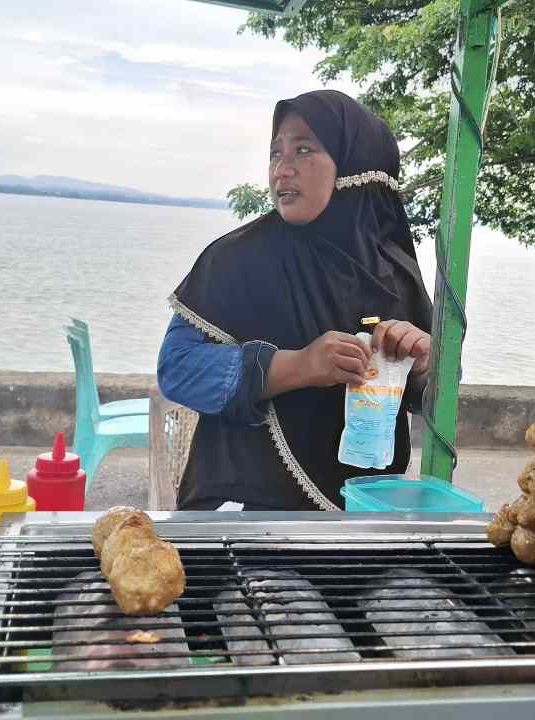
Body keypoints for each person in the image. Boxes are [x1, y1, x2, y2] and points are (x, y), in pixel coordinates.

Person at [156, 90, 434, 511]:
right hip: (247, 509)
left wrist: (422, 364)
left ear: (356, 164)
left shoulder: (394, 270)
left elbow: (429, 395)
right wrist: (298, 366)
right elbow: (177, 368)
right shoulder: (238, 257)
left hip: (365, 509)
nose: (281, 170)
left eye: (303, 150)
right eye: (275, 153)